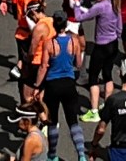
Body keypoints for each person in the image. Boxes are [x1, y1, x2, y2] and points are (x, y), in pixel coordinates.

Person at [33, 9, 87, 161]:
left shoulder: (49, 43)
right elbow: (78, 64)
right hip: (69, 83)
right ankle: (81, 155)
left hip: (53, 85)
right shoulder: (74, 42)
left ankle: (52, 155)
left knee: (53, 122)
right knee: (73, 121)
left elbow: (43, 66)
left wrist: (37, 86)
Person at [72, 0, 123, 121]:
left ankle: (94, 111)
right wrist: (116, 36)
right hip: (113, 44)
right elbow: (119, 26)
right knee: (108, 74)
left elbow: (80, 17)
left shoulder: (100, 7)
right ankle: (107, 106)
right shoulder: (115, 3)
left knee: (93, 77)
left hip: (101, 46)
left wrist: (76, 3)